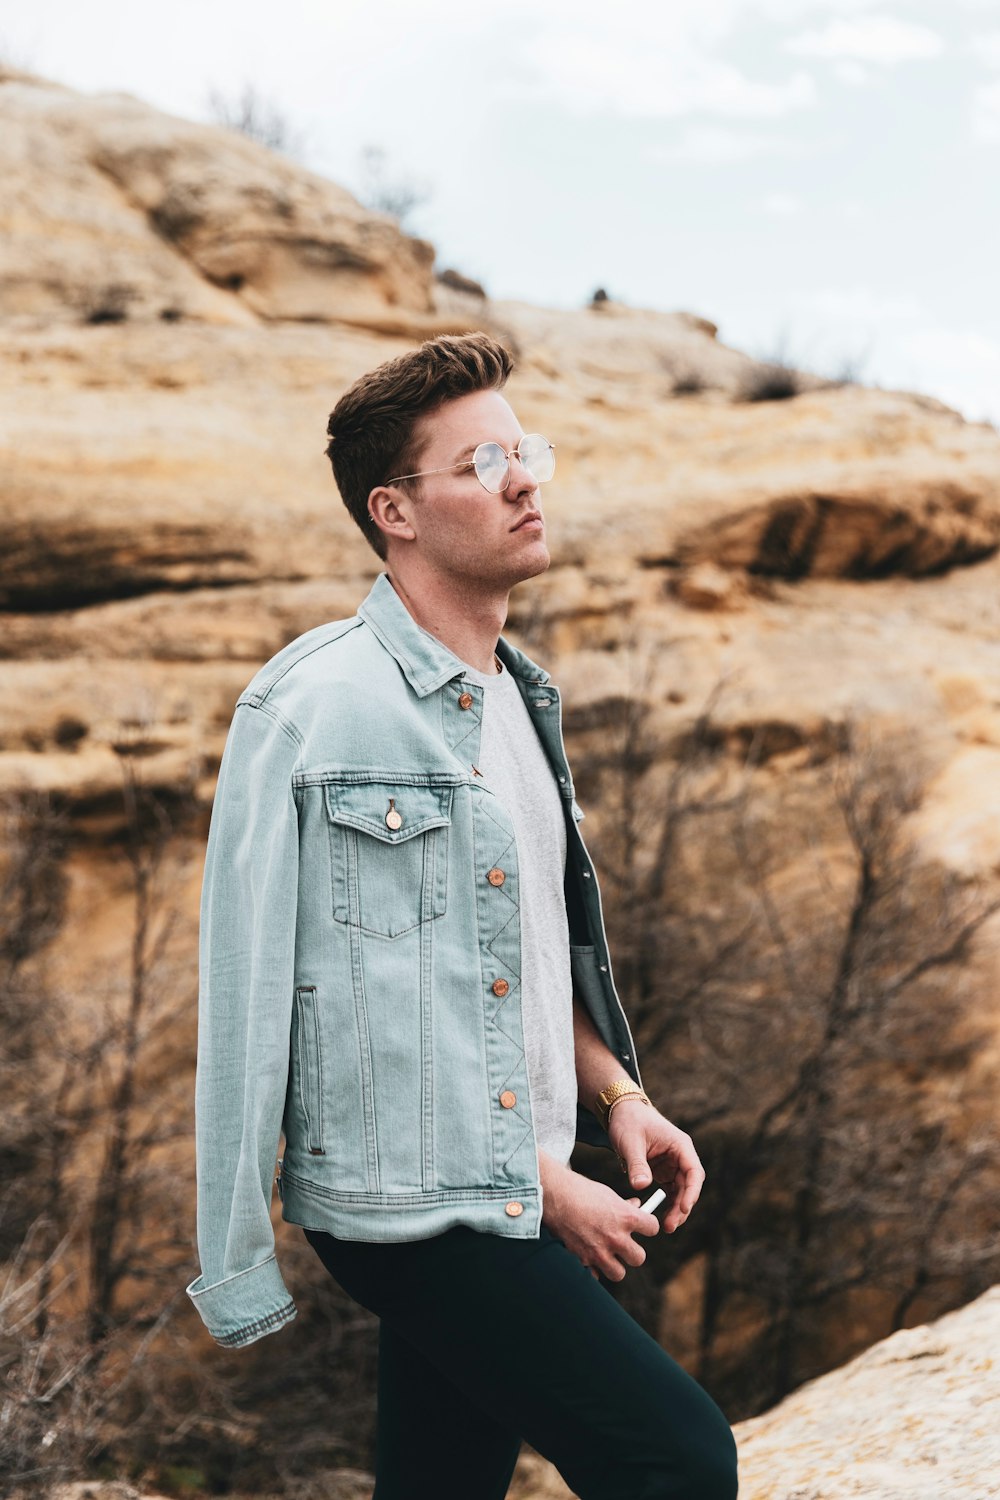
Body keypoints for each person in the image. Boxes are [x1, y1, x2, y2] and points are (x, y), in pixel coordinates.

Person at [186, 332, 738, 1499]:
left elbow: (520, 952)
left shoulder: (513, 694)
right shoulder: (315, 708)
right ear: (395, 509)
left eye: (524, 450)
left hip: (511, 1173)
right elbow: (248, 1001)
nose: (527, 478)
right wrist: (545, 1190)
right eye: (484, 462)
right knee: (675, 1459)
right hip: (419, 1205)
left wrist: (617, 1095)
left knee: (443, 1481)